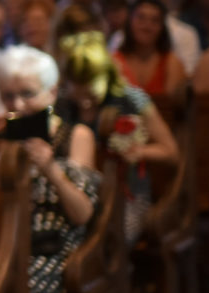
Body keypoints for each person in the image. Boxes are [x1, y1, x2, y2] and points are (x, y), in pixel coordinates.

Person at [0, 46, 99, 293]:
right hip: (3, 241)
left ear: (53, 91)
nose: (17, 105)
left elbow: (82, 213)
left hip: (54, 245)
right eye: (8, 96)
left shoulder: (76, 135)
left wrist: (50, 168)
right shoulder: (4, 134)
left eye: (27, 94)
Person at [59, 32, 179, 245]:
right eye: (77, 86)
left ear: (106, 74)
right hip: (80, 196)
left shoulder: (131, 99)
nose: (84, 98)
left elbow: (170, 151)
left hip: (127, 197)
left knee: (108, 243)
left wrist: (137, 151)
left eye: (90, 86)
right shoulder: (64, 106)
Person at [112, 0, 187, 97]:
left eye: (154, 20)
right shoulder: (113, 62)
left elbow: (173, 108)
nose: (147, 26)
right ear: (129, 22)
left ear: (162, 28)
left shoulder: (172, 63)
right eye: (141, 18)